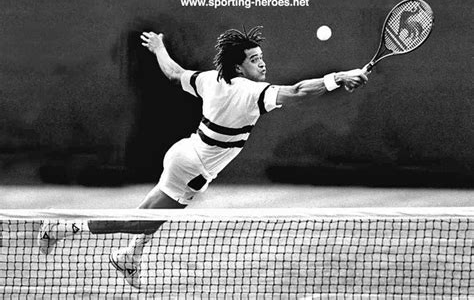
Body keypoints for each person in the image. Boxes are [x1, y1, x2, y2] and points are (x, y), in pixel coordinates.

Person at [37, 26, 368, 288]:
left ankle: (129, 256)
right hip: (193, 167)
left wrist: (158, 48)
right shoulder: (251, 92)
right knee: (138, 220)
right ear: (239, 66)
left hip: (186, 154)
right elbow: (297, 92)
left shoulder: (210, 79)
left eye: (261, 57)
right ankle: (63, 229)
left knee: (162, 214)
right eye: (254, 59)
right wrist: (336, 78)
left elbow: (173, 73)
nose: (262, 63)